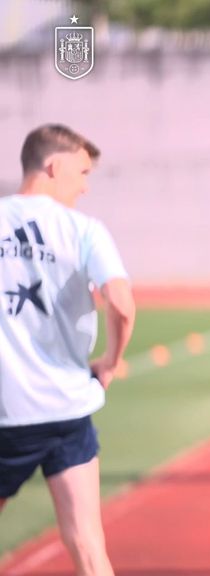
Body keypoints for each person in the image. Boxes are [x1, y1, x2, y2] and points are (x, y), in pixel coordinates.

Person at [0, 125, 136, 576]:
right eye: (81, 171)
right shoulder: (83, 230)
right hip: (66, 412)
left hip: (8, 415)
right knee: (89, 547)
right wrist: (111, 363)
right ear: (52, 166)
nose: (85, 184)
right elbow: (121, 304)